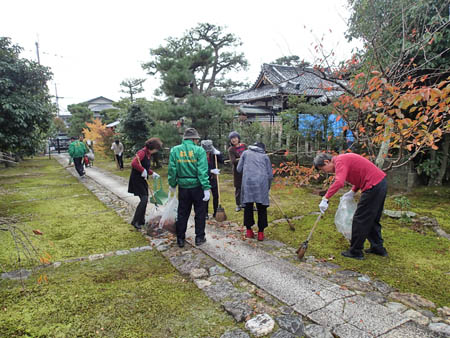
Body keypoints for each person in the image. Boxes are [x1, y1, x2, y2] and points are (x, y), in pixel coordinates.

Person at [314, 152, 388, 260]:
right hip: (380, 183)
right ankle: (378, 248)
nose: (325, 172)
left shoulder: (339, 161)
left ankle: (356, 251)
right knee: (372, 218)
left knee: (360, 219)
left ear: (327, 161)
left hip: (373, 186)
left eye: (323, 169)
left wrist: (325, 198)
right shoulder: (343, 160)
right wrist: (352, 191)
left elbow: (339, 182)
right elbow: (359, 175)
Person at [168, 128, 211, 248]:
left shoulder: (175, 150)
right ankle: (199, 237)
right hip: (197, 187)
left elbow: (172, 170)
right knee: (200, 213)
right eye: (196, 139)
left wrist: (172, 184)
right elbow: (202, 171)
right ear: (193, 139)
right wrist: (206, 188)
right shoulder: (199, 151)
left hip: (183, 187)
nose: (197, 141)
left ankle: (180, 238)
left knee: (182, 213)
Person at [237, 142, 273, 241]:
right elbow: (270, 175)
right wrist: (267, 187)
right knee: (262, 208)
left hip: (248, 183)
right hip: (261, 184)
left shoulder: (245, 153)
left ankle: (249, 231)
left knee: (248, 206)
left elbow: (239, 169)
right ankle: (261, 233)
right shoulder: (265, 156)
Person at [128, 138, 162, 230]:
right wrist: (142, 170)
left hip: (143, 180)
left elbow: (145, 167)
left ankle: (141, 220)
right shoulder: (142, 152)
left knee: (145, 199)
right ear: (153, 147)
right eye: (157, 148)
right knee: (144, 199)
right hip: (137, 180)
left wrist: (152, 173)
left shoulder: (148, 154)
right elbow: (134, 163)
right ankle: (135, 221)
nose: (156, 151)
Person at [201, 140, 224, 219]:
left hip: (213, 178)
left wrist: (219, 154)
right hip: (204, 178)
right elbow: (199, 168)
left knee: (216, 196)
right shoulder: (200, 155)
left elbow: (222, 161)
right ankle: (205, 213)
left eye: (209, 151)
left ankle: (216, 212)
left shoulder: (213, 154)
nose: (208, 153)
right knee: (205, 196)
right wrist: (210, 171)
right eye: (206, 152)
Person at [227, 131, 247, 212]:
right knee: (238, 188)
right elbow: (234, 161)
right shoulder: (231, 150)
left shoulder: (244, 146)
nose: (233, 140)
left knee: (247, 188)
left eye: (235, 138)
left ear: (238, 138)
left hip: (247, 170)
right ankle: (238, 205)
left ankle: (248, 204)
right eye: (232, 138)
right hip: (238, 171)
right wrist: (243, 159)